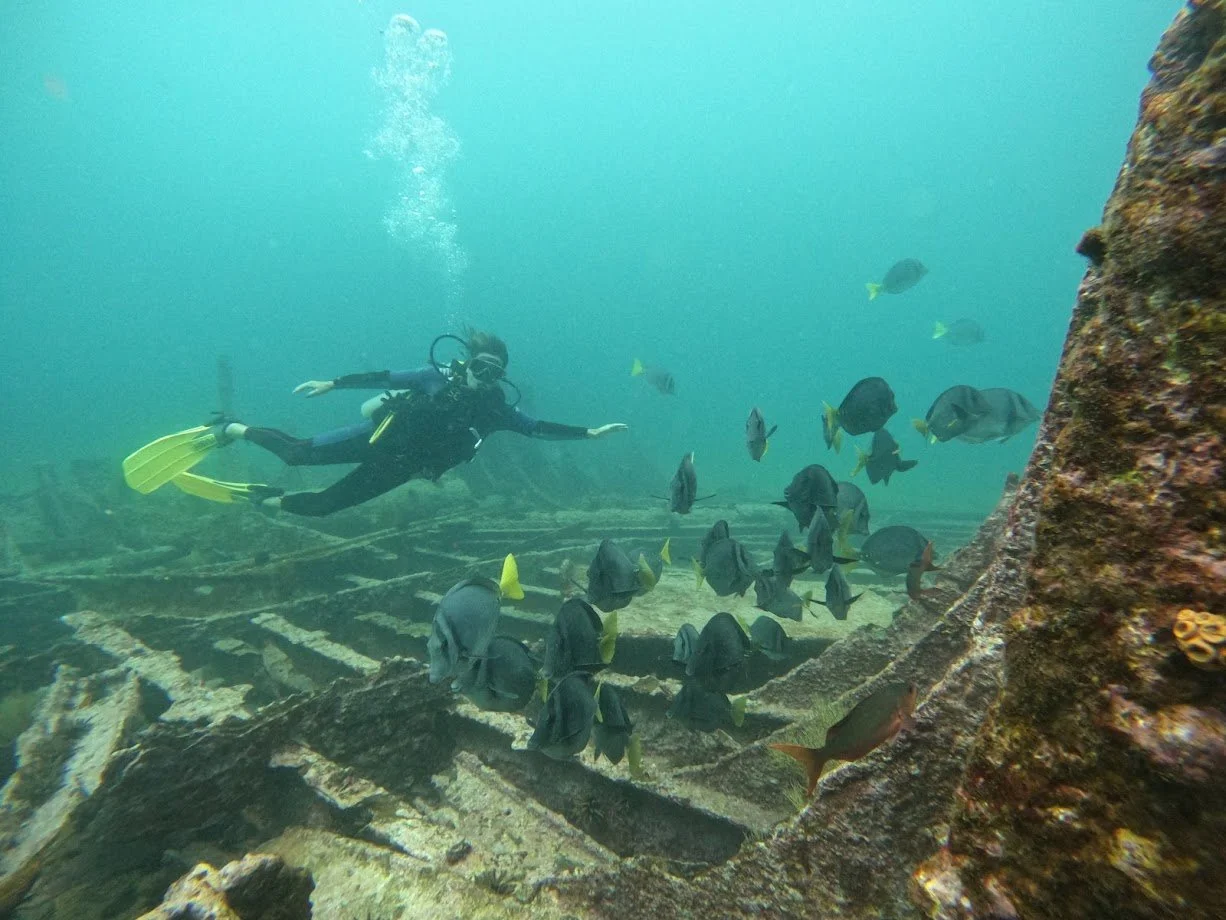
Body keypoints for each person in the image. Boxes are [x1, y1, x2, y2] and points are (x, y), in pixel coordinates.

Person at [122, 330, 627, 517]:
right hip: (375, 439)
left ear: (500, 377)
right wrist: (334, 383)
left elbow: (538, 427)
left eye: (494, 372)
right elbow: (384, 376)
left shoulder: (497, 410)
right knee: (297, 453)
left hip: (401, 470)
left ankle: (261, 497)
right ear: (465, 363)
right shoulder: (433, 376)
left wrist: (589, 434)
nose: (483, 377)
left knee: (322, 507)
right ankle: (229, 428)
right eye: (478, 367)